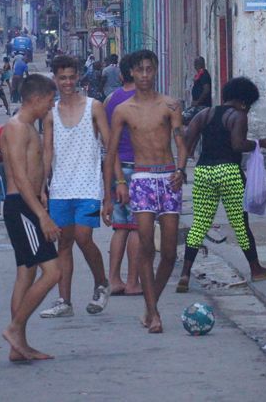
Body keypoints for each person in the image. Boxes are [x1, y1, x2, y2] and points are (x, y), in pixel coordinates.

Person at [106, 49, 188, 334]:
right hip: (140, 179)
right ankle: (153, 313)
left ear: (155, 71)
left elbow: (180, 140)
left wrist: (180, 169)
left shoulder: (170, 105)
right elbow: (112, 151)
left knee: (168, 253)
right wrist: (118, 184)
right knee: (145, 246)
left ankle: (151, 305)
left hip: (168, 178)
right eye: (139, 70)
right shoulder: (123, 110)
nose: (144, 75)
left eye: (149, 69)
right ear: (131, 73)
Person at [178, 77, 266, 292]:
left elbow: (188, 140)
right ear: (244, 101)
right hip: (229, 172)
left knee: (199, 224)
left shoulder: (204, 114)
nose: (248, 109)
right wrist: (262, 143)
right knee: (240, 224)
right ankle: (256, 269)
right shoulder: (238, 116)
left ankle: (185, 274)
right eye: (249, 104)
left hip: (204, 172)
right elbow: (238, 145)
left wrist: (182, 167)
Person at [39, 55, 112, 319]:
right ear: (55, 80)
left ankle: (101, 283)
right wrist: (42, 188)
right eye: (62, 78)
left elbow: (109, 146)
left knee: (84, 238)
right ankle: (64, 301)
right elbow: (47, 153)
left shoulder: (94, 107)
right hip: (60, 188)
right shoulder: (50, 114)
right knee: (64, 243)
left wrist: (113, 187)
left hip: (89, 188)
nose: (68, 82)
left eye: (71, 77)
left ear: (78, 76)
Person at [0, 73, 61, 362]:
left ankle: (18, 346)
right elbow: (20, 179)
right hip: (22, 207)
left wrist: (43, 194)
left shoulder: (28, 127)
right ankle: (15, 329)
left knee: (26, 273)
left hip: (28, 204)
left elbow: (33, 173)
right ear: (35, 99)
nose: (51, 105)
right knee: (53, 272)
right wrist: (41, 216)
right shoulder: (16, 127)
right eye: (49, 100)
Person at [104, 54, 143, 296]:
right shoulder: (144, 100)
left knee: (121, 227)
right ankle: (133, 282)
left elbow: (107, 140)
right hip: (140, 168)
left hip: (116, 166)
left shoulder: (111, 100)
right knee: (137, 227)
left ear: (121, 75)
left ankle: (114, 279)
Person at [185, 57, 212, 125]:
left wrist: (198, 102)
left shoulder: (204, 74)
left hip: (203, 106)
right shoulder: (200, 74)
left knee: (185, 116)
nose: (195, 66)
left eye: (196, 64)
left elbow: (206, 90)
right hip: (199, 106)